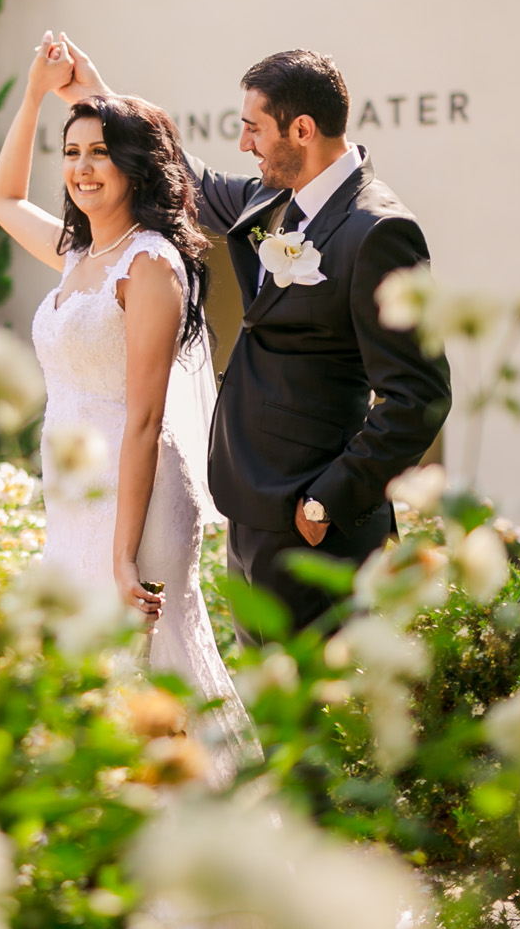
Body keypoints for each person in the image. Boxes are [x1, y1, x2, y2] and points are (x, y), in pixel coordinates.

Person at [55, 37, 451, 632]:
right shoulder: (270, 201)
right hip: (251, 509)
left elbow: (419, 396)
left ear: (303, 130)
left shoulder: (379, 232)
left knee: (314, 712)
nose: (244, 144)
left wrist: (327, 500)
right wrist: (96, 95)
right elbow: (188, 174)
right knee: (269, 708)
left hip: (315, 525)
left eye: (254, 128)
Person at [0, 32, 252, 761]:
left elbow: (143, 421)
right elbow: (3, 197)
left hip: (134, 501)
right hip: (74, 501)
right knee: (85, 686)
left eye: (99, 152)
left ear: (135, 165)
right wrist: (38, 93)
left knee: (153, 683)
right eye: (71, 154)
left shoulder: (151, 265)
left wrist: (123, 557)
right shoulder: (80, 255)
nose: (81, 169)